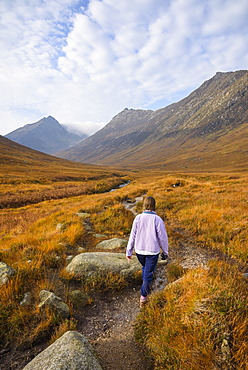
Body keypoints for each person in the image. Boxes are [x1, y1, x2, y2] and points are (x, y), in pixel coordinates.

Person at [126, 196, 168, 307]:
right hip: (152, 252)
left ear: (144, 205)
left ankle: (146, 284)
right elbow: (162, 238)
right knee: (148, 273)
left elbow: (132, 236)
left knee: (145, 268)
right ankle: (143, 298)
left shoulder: (138, 218)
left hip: (139, 251)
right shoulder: (157, 219)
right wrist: (165, 251)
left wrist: (129, 252)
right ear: (154, 205)